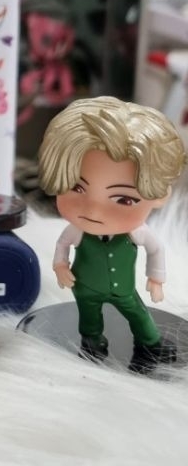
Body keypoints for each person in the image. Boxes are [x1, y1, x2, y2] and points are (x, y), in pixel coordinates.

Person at [38, 96, 187, 366]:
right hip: (84, 287)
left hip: (124, 290)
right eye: (76, 187)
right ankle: (92, 343)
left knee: (138, 314)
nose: (94, 212)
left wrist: (156, 278)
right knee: (89, 319)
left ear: (159, 196)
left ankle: (150, 342)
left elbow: (156, 248)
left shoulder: (137, 233)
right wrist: (60, 266)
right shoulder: (76, 231)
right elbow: (62, 245)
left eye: (124, 199)